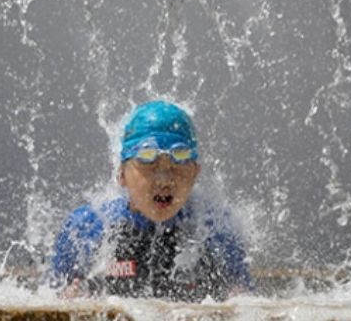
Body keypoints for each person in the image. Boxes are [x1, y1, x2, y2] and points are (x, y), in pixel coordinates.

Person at [48, 100, 251, 302]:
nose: (164, 181)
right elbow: (46, 304)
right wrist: (67, 300)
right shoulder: (87, 229)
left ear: (195, 173)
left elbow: (246, 311)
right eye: (150, 166)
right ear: (121, 175)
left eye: (176, 167)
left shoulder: (216, 232)